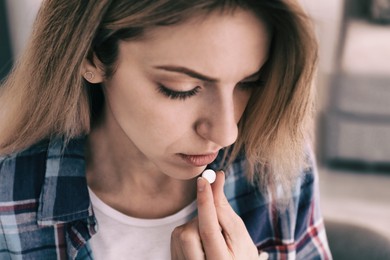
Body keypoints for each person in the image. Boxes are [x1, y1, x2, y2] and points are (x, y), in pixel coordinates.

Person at [0, 0, 332, 259]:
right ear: (91, 57)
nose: (226, 132)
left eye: (248, 83)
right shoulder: (9, 195)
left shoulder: (277, 165)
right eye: (181, 88)